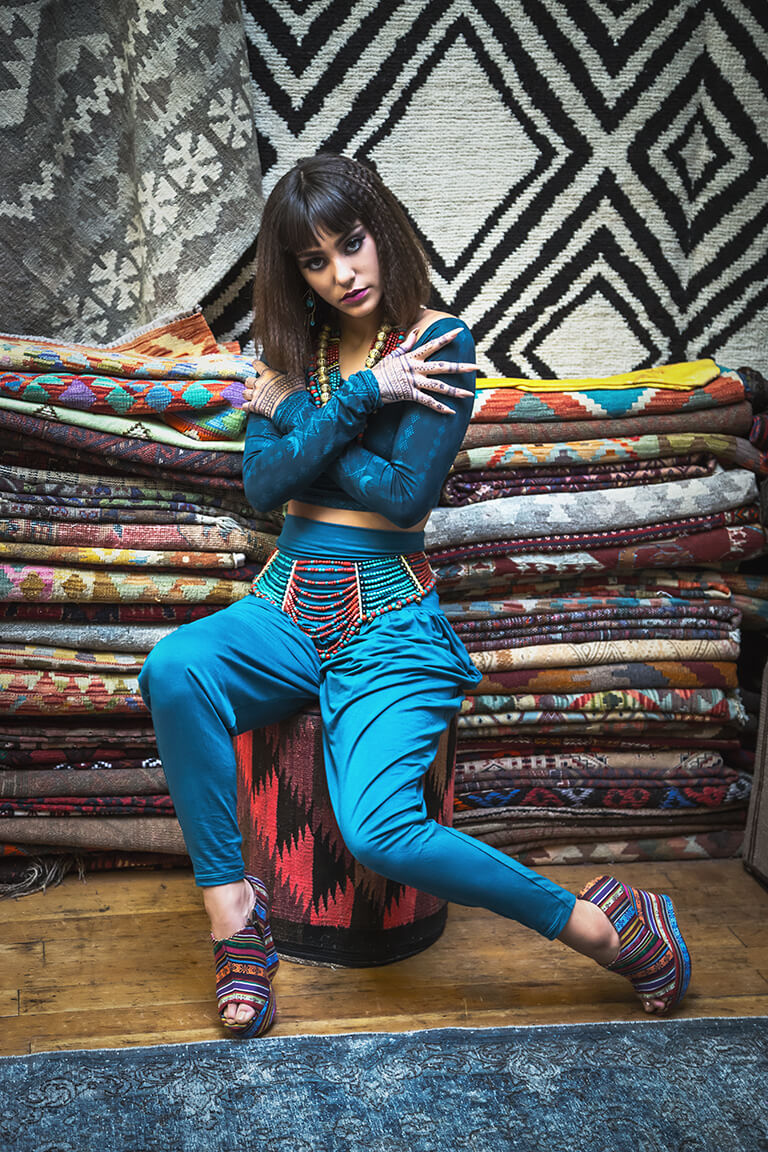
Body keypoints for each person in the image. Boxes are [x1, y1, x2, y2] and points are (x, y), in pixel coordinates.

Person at [138, 153, 690, 1038]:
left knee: (380, 832)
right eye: (314, 260)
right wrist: (359, 399)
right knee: (174, 670)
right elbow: (265, 487)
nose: (341, 273)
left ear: (382, 231)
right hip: (282, 608)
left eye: (351, 243)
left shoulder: (439, 344)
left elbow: (402, 496)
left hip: (389, 623)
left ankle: (605, 927)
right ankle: (236, 924)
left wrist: (312, 410)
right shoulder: (294, 350)